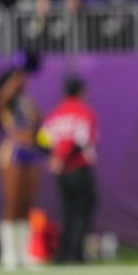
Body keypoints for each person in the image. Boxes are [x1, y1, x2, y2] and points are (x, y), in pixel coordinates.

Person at [0, 51, 42, 270]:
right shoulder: (5, 105)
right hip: (13, 151)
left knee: (26, 203)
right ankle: (9, 254)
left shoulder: (25, 103)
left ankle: (24, 253)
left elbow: (39, 121)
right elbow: (1, 98)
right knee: (12, 202)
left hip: (30, 151)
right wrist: (16, 76)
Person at [38, 76, 99, 264]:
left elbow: (42, 139)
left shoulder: (55, 114)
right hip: (78, 167)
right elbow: (81, 141)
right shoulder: (84, 112)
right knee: (82, 211)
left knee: (66, 211)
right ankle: (75, 253)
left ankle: (63, 254)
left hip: (62, 171)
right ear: (81, 91)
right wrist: (63, 158)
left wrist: (53, 157)